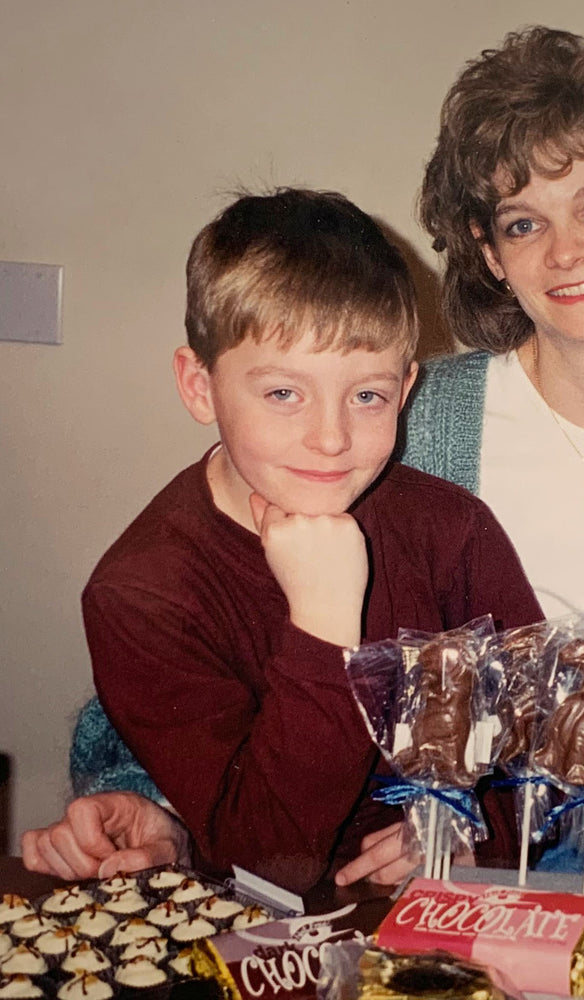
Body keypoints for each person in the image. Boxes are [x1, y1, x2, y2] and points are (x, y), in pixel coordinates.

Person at [25, 27, 584, 898]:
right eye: (520, 222)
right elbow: (212, 631)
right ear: (488, 254)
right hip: (419, 912)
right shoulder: (392, 419)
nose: (566, 249)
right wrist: (147, 797)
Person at [20, 188, 542, 894]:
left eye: (367, 396)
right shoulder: (142, 595)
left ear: (407, 386)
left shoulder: (452, 530)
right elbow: (265, 861)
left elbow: (540, 745)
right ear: (198, 385)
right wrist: (323, 625)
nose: (330, 438)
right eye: (282, 394)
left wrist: (473, 826)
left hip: (442, 917)